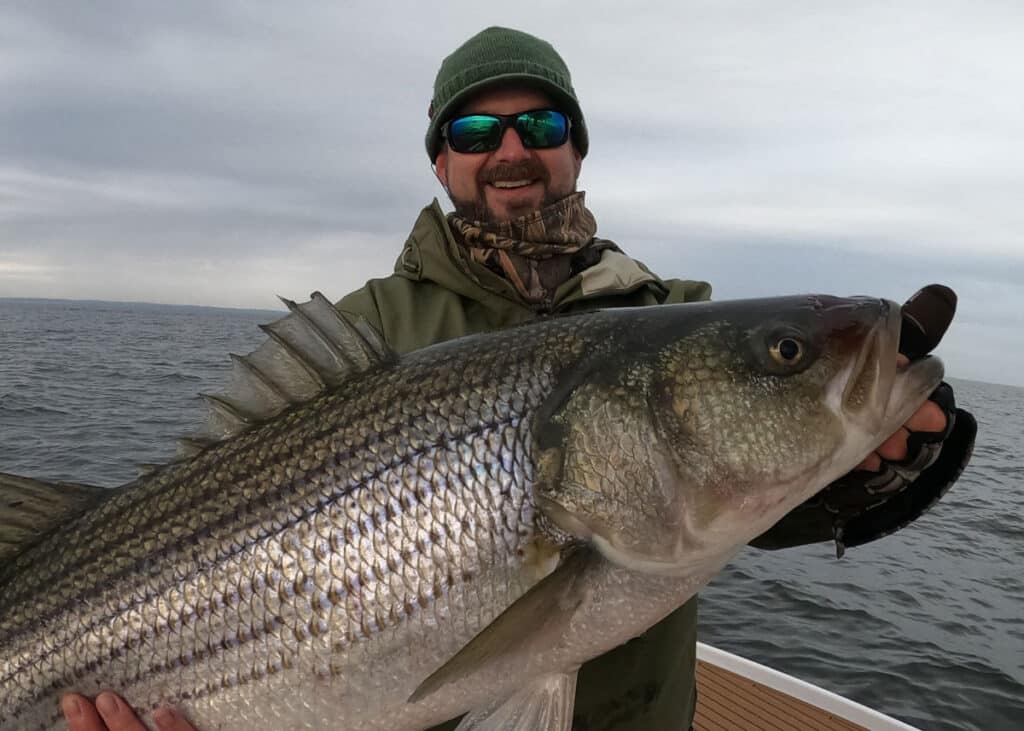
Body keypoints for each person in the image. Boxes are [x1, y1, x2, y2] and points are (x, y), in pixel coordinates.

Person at [63, 26, 977, 731]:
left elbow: (757, 503)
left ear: (576, 149)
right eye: (474, 128)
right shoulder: (370, 328)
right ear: (440, 159)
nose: (510, 149)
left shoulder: (673, 307)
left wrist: (879, 470)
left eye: (539, 125)